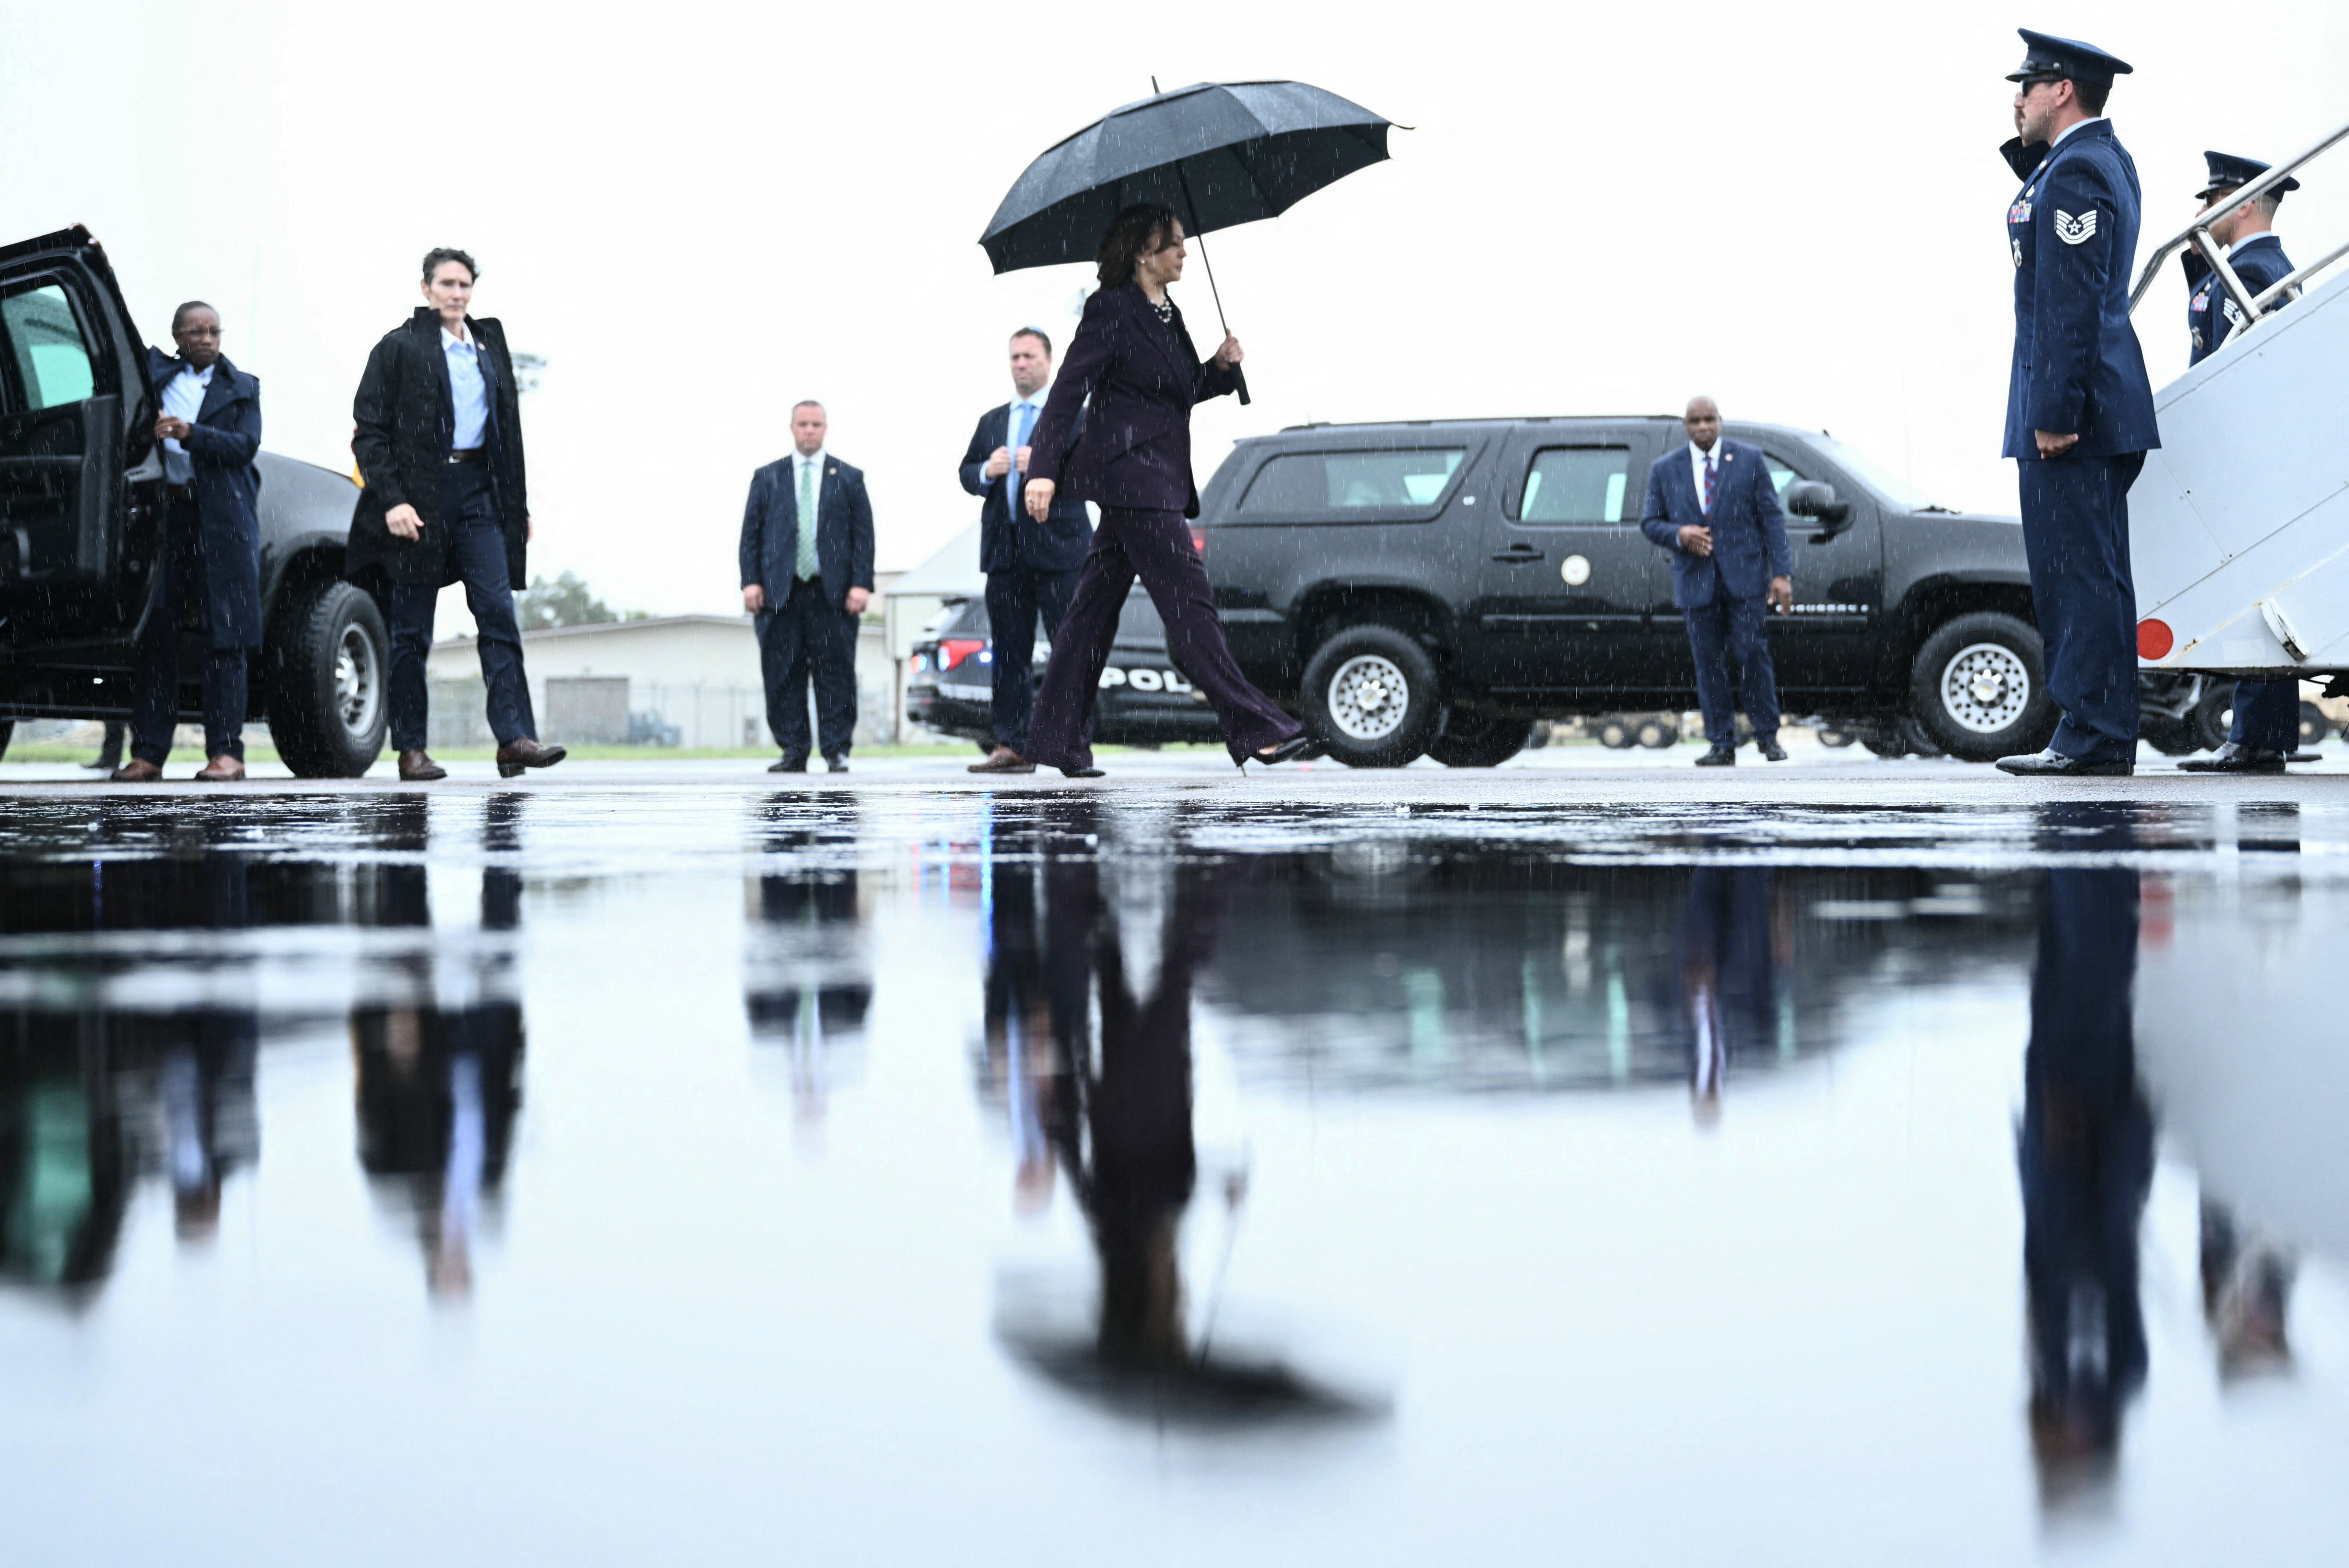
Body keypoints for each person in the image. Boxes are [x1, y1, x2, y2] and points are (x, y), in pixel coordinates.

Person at [1020, 203, 1312, 777]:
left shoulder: (1168, 313)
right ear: (1142, 254)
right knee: (1191, 603)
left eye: (1183, 241)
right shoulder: (1110, 310)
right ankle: (1254, 726)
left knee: (1089, 616)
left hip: (1159, 477)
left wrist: (1219, 369)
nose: (1184, 252)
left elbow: (1176, 391)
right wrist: (1044, 469)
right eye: (1174, 243)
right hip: (1132, 478)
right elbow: (1067, 391)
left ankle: (1057, 740)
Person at [1992, 32, 2161, 778]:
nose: (2014, 101)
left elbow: (2068, 302)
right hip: (2094, 406)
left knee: (2075, 577)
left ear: (2060, 90)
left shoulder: (2078, 170)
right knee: (2092, 574)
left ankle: (2090, 736)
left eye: (2025, 88)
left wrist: (2052, 411)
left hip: (2074, 414)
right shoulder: (2095, 161)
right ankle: (2097, 729)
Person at [347, 247, 565, 783]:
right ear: (426, 289)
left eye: (465, 285)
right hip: (418, 495)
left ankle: (514, 739)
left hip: (478, 493)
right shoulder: (398, 348)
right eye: (446, 284)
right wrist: (394, 500)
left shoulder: (488, 347)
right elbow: (369, 433)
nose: (457, 294)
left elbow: (507, 434)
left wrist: (517, 508)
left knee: (497, 613)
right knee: (411, 631)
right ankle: (412, 749)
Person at [2175, 152, 2303, 774]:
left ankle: (2257, 737)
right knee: (2257, 594)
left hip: (2245, 458)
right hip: (2252, 457)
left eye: (2213, 201)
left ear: (2244, 203)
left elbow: (2231, 368)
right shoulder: (2255, 268)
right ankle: (2263, 734)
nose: (2202, 214)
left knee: (2255, 598)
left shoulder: (2254, 271)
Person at [111, 302, 263, 783]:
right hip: (165, 517)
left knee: (227, 636)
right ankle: (150, 753)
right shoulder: (152, 375)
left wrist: (191, 433)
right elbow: (116, 341)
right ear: (177, 335)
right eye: (195, 331)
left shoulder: (243, 387)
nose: (206, 338)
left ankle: (227, 753)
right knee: (157, 632)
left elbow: (245, 446)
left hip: (223, 520)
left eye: (214, 330)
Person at [959, 328, 1092, 774]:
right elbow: (966, 473)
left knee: (1069, 651)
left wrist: (1045, 463)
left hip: (1060, 553)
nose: (1021, 364)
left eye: (1029, 356)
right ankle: (1012, 746)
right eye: (1015, 357)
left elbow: (1093, 472)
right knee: (1008, 655)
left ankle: (1072, 749)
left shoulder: (1072, 414)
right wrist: (986, 469)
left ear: (1048, 362)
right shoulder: (992, 420)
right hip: (1005, 555)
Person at [1638, 396, 1794, 766]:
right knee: (1708, 663)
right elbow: (1649, 522)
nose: (1703, 427)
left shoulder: (1749, 459)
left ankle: (1767, 737)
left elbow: (1772, 518)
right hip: (1696, 581)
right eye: (1695, 421)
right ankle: (1721, 743)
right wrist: (1680, 533)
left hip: (1746, 579)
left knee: (1752, 654)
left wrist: (1782, 574)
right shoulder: (1665, 469)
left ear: (1720, 421)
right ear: (1685, 426)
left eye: (1709, 419)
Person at [738, 401, 874, 773]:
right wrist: (750, 582)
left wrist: (861, 584)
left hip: (833, 595)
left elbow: (863, 538)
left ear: (825, 428)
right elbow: (751, 536)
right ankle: (793, 749)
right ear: (792, 428)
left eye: (816, 424)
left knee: (837, 673)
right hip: (779, 594)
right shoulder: (768, 477)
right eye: (803, 424)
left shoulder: (848, 478)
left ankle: (836, 750)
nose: (809, 430)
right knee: (783, 674)